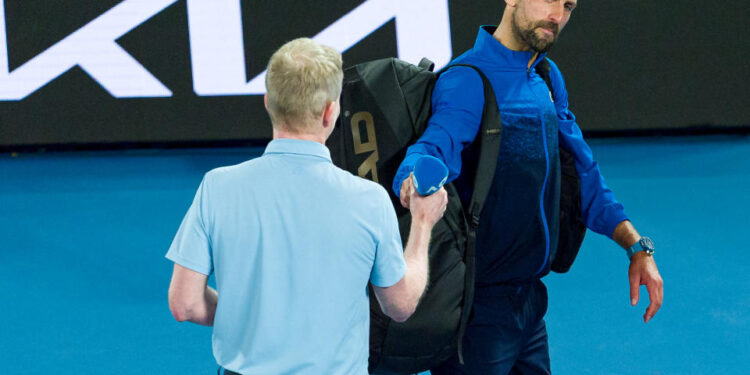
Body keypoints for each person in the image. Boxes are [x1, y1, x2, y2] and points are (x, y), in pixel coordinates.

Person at [392, 1, 664, 374]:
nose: (558, 15)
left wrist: (636, 245)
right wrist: (414, 177)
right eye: (549, 0)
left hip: (530, 305)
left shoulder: (548, 77)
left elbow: (584, 173)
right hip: (476, 314)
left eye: (568, 5)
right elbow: (436, 145)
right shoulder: (467, 79)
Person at [165, 38, 448, 375]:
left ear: (268, 102)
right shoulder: (369, 200)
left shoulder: (217, 186)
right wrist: (422, 224)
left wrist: (246, 318)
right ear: (331, 112)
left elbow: (185, 305)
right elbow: (399, 305)